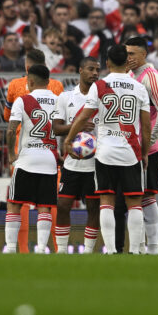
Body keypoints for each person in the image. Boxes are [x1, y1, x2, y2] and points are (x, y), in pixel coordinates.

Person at [65, 44, 152, 254]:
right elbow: (147, 126)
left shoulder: (99, 86)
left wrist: (69, 139)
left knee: (106, 200)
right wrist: (145, 152)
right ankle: (135, 250)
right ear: (127, 62)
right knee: (134, 202)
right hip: (131, 152)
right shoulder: (139, 87)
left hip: (105, 153)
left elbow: (84, 116)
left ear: (107, 63)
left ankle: (111, 250)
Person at [4, 64, 60, 253]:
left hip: (27, 160)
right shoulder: (59, 100)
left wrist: (12, 154)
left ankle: (11, 248)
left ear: (31, 81)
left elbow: (11, 130)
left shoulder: (23, 100)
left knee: (14, 203)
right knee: (45, 206)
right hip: (50, 160)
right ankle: (42, 248)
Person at [126, 36, 158, 255]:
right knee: (139, 196)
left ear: (144, 54)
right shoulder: (130, 75)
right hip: (134, 146)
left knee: (147, 195)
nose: (129, 58)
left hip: (148, 148)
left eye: (133, 54)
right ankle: (143, 246)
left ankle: (152, 246)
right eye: (127, 54)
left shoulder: (150, 76)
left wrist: (150, 141)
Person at [52, 56, 102, 254]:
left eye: (97, 70)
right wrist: (77, 126)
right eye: (90, 69)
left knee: (93, 208)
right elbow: (56, 128)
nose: (95, 73)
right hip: (71, 162)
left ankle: (88, 252)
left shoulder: (102, 98)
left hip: (95, 164)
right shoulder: (65, 97)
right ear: (80, 70)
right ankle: (62, 251)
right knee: (63, 205)